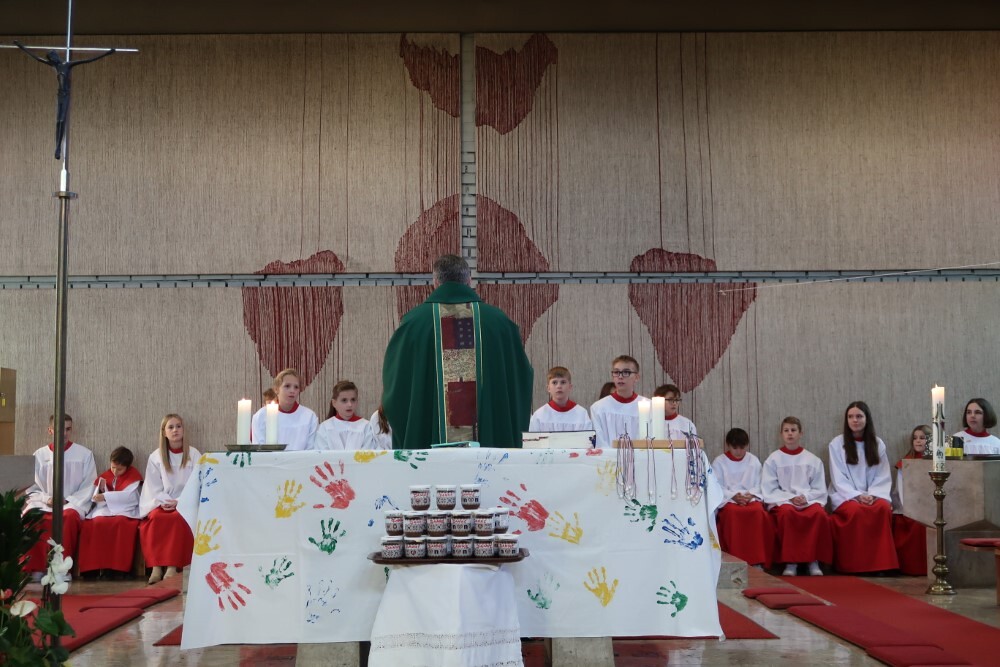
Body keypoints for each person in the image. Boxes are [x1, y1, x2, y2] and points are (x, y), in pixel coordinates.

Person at [382, 254, 533, 448]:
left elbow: (396, 388)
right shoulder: (499, 323)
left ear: (435, 282)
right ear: (469, 280)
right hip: (489, 450)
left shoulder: (413, 324)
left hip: (430, 451)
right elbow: (520, 380)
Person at [22, 414, 97, 579]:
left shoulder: (84, 454)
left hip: (71, 503)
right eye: (59, 429)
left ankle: (61, 570)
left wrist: (68, 500)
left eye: (68, 429)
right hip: (44, 502)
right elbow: (31, 486)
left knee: (68, 518)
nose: (64, 433)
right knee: (33, 517)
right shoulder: (39, 455)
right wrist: (46, 499)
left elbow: (89, 485)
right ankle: (35, 569)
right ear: (50, 430)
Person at [827, 401, 898, 573]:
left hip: (874, 494)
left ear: (867, 419)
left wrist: (873, 494)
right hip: (845, 495)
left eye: (859, 416)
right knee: (856, 511)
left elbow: (882, 474)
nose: (855, 420)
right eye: (851, 417)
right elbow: (838, 476)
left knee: (882, 508)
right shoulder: (837, 444)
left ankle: (881, 565)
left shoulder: (877, 444)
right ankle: (855, 566)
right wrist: (857, 496)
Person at [761, 416, 832, 576]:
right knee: (787, 514)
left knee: (818, 514)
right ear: (781, 434)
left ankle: (813, 561)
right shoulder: (773, 459)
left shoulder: (812, 460)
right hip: (784, 502)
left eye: (793, 430)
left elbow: (819, 488)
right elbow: (769, 488)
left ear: (801, 433)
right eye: (786, 430)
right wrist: (789, 498)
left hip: (808, 501)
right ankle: (790, 563)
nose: (790, 434)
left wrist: (805, 497)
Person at [139, 414, 201, 584]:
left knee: (177, 518)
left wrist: (179, 501)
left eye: (178, 426)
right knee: (155, 518)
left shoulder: (194, 454)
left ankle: (172, 566)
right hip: (162, 502)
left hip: (185, 502)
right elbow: (152, 486)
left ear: (183, 430)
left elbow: (198, 483)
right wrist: (165, 501)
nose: (175, 430)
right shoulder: (156, 456)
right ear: (164, 432)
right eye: (171, 427)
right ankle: (156, 567)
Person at [712, 428, 774, 569]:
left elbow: (761, 483)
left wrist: (751, 494)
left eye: (742, 447)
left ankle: (756, 560)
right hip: (729, 500)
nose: (739, 452)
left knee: (757, 512)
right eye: (735, 448)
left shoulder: (753, 460)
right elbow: (716, 486)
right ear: (728, 445)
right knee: (732, 513)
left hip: (750, 499)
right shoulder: (719, 462)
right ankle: (735, 560)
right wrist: (733, 496)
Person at [78, 446, 143, 578]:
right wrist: (99, 495)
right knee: (96, 523)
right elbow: (96, 495)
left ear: (127, 467)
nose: (115, 472)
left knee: (121, 523)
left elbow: (131, 497)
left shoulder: (133, 476)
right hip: (105, 509)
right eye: (113, 467)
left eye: (119, 469)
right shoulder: (106, 475)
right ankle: (94, 568)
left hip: (125, 510)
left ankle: (119, 569)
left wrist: (106, 496)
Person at [891, 425, 929, 575]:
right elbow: (900, 489)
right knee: (916, 523)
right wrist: (912, 507)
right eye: (915, 438)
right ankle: (913, 567)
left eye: (922, 438)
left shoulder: (935, 461)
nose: (918, 441)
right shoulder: (905, 463)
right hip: (908, 506)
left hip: (929, 506)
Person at [251, 368, 319, 450]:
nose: (292, 390)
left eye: (296, 387)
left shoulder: (309, 416)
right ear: (276, 389)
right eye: (287, 386)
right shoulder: (261, 416)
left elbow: (311, 450)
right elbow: (259, 449)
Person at [590, 355, 648, 449]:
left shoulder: (649, 407)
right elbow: (599, 442)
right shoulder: (598, 408)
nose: (620, 376)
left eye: (626, 372)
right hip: (608, 458)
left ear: (637, 377)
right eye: (616, 372)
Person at [314, 381, 381, 450]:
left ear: (357, 402)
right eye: (344, 400)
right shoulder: (325, 427)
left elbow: (368, 451)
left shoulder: (365, 426)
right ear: (334, 403)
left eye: (353, 400)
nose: (349, 404)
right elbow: (321, 453)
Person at [529, 366, 593, 432]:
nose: (559, 386)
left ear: (570, 387)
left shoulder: (582, 414)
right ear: (548, 388)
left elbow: (588, 438)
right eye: (554, 382)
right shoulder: (539, 416)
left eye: (563, 382)